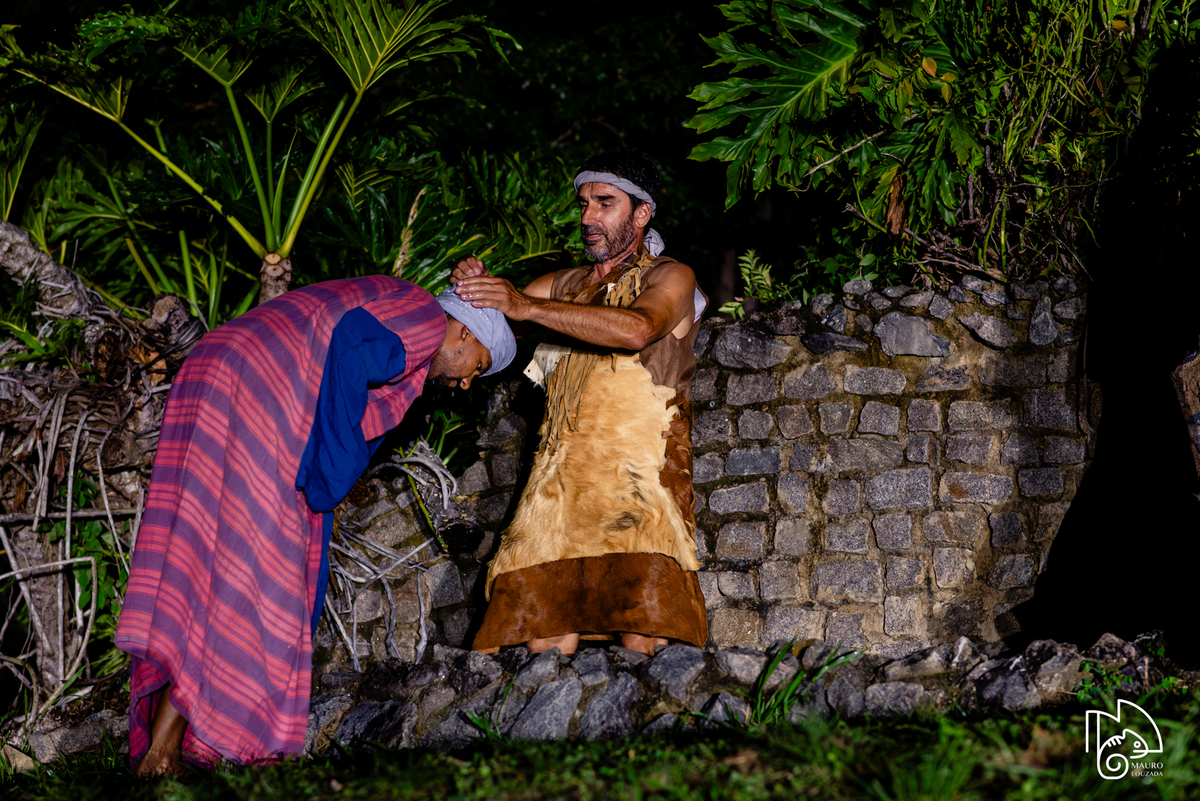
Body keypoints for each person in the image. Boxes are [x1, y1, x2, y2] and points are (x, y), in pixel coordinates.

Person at [115, 275, 515, 775]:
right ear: (464, 333)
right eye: (474, 367)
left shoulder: (399, 313)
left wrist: (331, 474)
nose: (464, 384)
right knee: (258, 576)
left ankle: (170, 743)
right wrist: (333, 474)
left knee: (209, 567)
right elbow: (351, 344)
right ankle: (168, 750)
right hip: (256, 395)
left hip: (216, 374)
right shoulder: (425, 315)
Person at [453, 151, 709, 658]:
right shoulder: (561, 285)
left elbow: (637, 329)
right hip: (559, 482)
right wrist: (470, 291)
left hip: (640, 474)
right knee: (543, 629)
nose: (589, 217)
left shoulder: (671, 277)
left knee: (645, 630)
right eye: (585, 203)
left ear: (641, 214)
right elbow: (486, 333)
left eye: (605, 204)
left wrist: (523, 306)